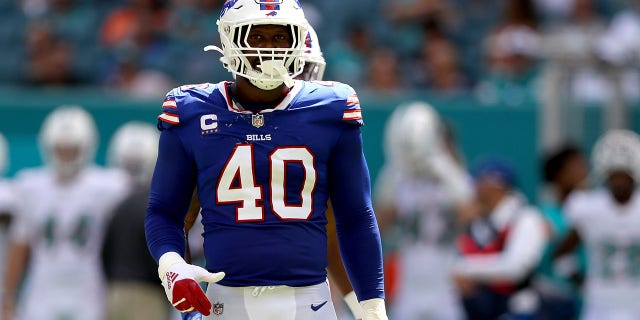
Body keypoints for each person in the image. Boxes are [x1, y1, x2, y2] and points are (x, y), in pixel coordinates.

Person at [144, 1, 388, 319]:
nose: (270, 50)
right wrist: (172, 265)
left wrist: (371, 307)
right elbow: (165, 211)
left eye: (280, 38)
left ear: (298, 40)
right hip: (225, 300)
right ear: (231, 41)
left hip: (308, 301)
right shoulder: (192, 110)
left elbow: (356, 217)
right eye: (256, 38)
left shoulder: (331, 108)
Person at [1, 106, 129, 320]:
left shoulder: (108, 186)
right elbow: (20, 243)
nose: (66, 156)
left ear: (87, 146)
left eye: (72, 149)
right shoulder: (30, 186)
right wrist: (8, 294)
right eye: (61, 149)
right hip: (43, 285)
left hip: (88, 286)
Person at [374, 101, 473, 320]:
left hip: (445, 280)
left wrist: (446, 170)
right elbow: (379, 224)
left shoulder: (455, 179)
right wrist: (393, 173)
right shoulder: (401, 180)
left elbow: (469, 216)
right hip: (409, 280)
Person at [557, 129, 640, 320]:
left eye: (624, 174)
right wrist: (581, 282)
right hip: (600, 305)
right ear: (604, 174)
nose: (619, 181)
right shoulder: (587, 207)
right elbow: (561, 255)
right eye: (615, 174)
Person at [452, 157, 547, 320]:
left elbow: (515, 268)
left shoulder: (527, 218)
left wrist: (463, 270)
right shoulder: (473, 223)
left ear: (496, 186)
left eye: (478, 182)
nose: (473, 189)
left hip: (516, 311)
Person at [101, 122, 169, 320]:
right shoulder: (153, 204)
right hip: (145, 293)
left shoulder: (118, 204)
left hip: (115, 290)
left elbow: (104, 251)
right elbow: (156, 254)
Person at [535, 144, 589, 320]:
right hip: (555, 304)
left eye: (583, 165)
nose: (583, 172)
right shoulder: (544, 215)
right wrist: (581, 282)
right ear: (557, 175)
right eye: (574, 167)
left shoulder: (595, 212)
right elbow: (553, 260)